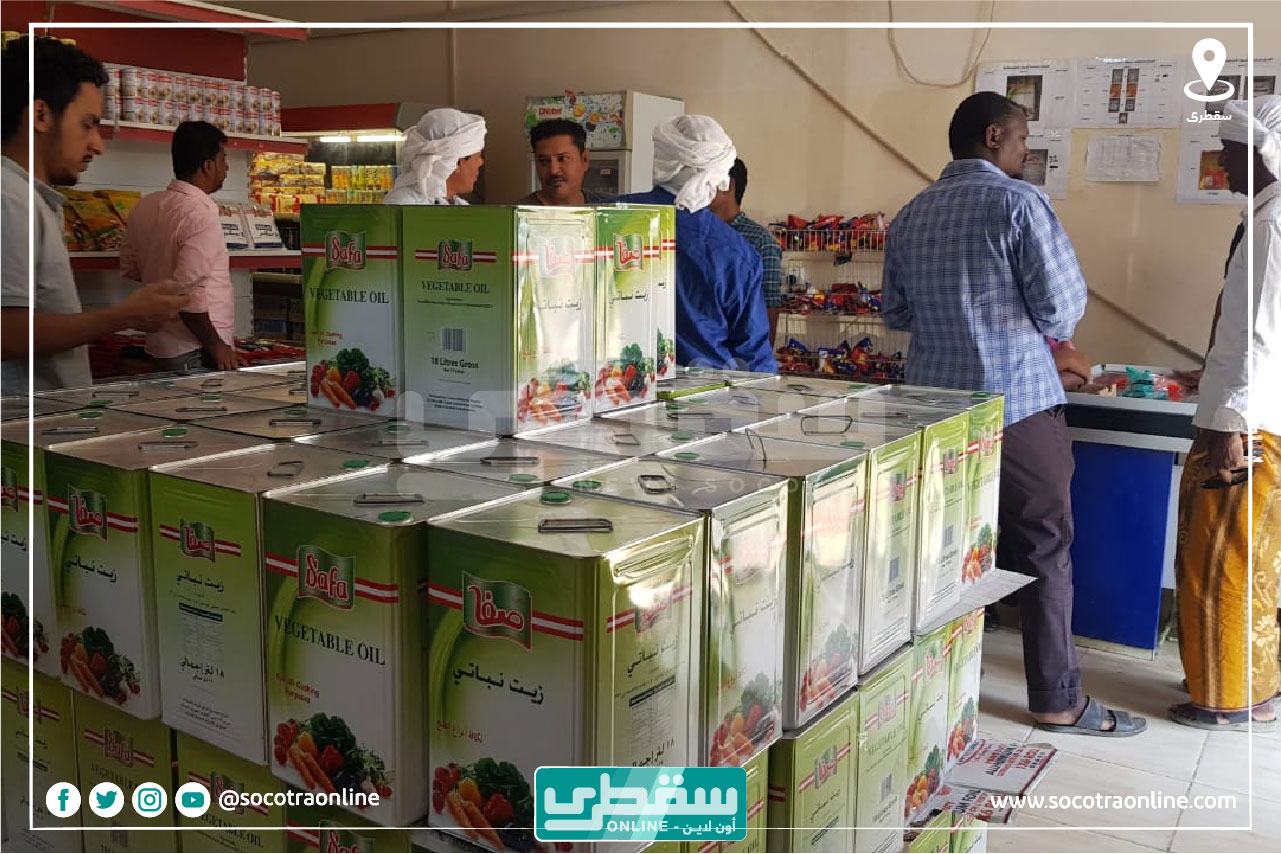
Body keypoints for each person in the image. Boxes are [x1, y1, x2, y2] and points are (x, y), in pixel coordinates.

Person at [883, 91, 1145, 737]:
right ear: (994, 136)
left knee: (945, 548)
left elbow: (896, 314)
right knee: (1043, 546)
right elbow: (1060, 309)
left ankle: (934, 690)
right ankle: (1056, 700)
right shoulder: (1018, 203)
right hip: (1018, 406)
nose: (1027, 150)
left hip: (936, 413)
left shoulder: (911, 214)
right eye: (1023, 138)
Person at [1169, 95, 1281, 732]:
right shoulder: (1268, 216)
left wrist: (1231, 419)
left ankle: (1225, 698)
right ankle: (1253, 686)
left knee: (1220, 561)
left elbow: (1258, 335)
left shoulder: (1270, 225)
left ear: (1263, 153)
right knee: (1252, 558)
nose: (1220, 160)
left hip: (1247, 425)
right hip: (1258, 411)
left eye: (1230, 150)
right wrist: (1211, 374)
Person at [0, 36, 186, 395]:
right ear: (40, 115)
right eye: (88, 125)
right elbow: (6, 334)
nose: (97, 145)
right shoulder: (9, 198)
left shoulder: (30, 198)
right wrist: (123, 316)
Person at [615, 116, 775, 373]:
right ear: (716, 173)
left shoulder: (606, 218)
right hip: (706, 392)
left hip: (614, 385)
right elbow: (754, 359)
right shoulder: (736, 253)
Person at [120, 121, 238, 373]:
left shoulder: (145, 206)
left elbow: (131, 268)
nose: (226, 167)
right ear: (208, 166)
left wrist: (162, 273)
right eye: (224, 159)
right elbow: (187, 294)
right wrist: (216, 345)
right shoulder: (200, 215)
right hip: (195, 350)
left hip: (160, 345)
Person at [709, 158, 783, 341]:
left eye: (709, 180)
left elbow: (769, 307)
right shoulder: (696, 233)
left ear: (729, 184)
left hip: (736, 348)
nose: (700, 188)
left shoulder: (760, 241)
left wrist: (762, 358)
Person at [384, 108, 485, 206]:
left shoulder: (461, 206)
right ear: (456, 162)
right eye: (478, 156)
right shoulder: (404, 204)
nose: (481, 162)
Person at [518, 119, 609, 206]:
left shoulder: (608, 208)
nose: (553, 170)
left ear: (584, 160)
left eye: (562, 159)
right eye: (544, 161)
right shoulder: (518, 213)